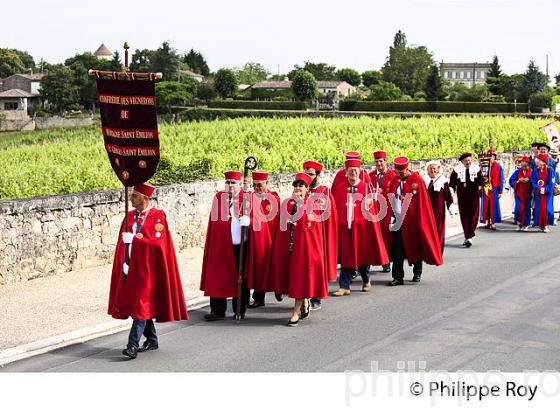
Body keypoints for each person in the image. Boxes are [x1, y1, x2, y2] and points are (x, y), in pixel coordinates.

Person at [108, 183, 188, 359]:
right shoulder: (129, 216)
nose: (131, 199)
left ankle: (132, 345)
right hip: (130, 268)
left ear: (145, 198)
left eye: (135, 196)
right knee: (140, 306)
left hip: (148, 270)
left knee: (140, 305)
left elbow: (158, 243)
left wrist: (136, 240)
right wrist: (123, 261)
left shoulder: (158, 216)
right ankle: (152, 339)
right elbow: (122, 244)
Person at [267, 173, 328, 326]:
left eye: (301, 185)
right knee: (293, 280)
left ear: (307, 189)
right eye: (296, 185)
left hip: (306, 248)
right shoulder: (287, 203)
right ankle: (305, 302)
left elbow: (314, 229)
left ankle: (295, 312)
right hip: (289, 246)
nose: (297, 188)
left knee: (301, 279)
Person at [331, 159, 389, 296]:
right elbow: (335, 209)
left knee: (361, 256)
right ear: (346, 173)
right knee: (346, 256)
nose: (353, 173)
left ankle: (366, 279)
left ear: (360, 172)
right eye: (350, 171)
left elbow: (371, 210)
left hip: (361, 229)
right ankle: (344, 286)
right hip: (345, 229)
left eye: (355, 171)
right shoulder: (340, 188)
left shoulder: (365, 187)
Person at [200, 171, 250, 321]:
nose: (229, 186)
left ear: (240, 184)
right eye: (227, 182)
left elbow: (258, 218)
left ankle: (239, 309)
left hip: (240, 246)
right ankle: (217, 310)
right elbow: (215, 222)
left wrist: (249, 221)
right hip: (221, 245)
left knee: (240, 277)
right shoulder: (218, 198)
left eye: (233, 183)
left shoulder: (247, 198)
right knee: (217, 275)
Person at [387, 157, 443, 286]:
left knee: (416, 245)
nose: (399, 175)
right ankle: (397, 277)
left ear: (407, 169)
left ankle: (417, 272)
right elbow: (390, 198)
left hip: (413, 220)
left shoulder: (417, 180)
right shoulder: (395, 180)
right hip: (398, 220)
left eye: (401, 173)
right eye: (397, 172)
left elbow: (422, 203)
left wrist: (406, 200)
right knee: (397, 249)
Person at [303, 160, 338, 311]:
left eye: (310, 174)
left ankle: (316, 298)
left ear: (318, 175)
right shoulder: (301, 191)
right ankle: (304, 297)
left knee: (317, 268)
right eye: (305, 173)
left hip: (320, 237)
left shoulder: (325, 192)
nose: (308, 177)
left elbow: (331, 218)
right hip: (305, 236)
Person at [246, 171, 282, 308]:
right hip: (258, 240)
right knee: (259, 268)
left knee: (273, 269)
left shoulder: (274, 199)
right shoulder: (250, 198)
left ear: (266, 184)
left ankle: (278, 289)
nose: (256, 188)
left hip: (272, 240)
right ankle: (258, 297)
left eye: (259, 185)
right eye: (254, 185)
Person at [368, 150, 398, 272]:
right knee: (372, 236)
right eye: (376, 161)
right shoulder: (370, 176)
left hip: (387, 210)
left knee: (386, 237)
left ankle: (386, 262)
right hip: (373, 211)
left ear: (385, 161)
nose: (379, 163)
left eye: (381, 161)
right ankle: (368, 262)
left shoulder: (393, 175)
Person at [449, 152, 483, 247]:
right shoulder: (456, 170)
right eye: (466, 161)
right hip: (462, 196)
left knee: (473, 216)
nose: (468, 162)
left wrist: (481, 187)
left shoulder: (476, 169)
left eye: (469, 160)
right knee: (464, 216)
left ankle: (470, 234)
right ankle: (468, 236)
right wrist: (451, 193)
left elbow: (481, 181)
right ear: (462, 162)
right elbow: (452, 183)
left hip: (473, 195)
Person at [423, 160, 454, 253]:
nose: (432, 171)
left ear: (438, 170)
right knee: (427, 230)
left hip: (438, 210)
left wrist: (451, 208)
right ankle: (429, 250)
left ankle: (438, 251)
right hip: (426, 210)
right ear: (427, 170)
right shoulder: (423, 180)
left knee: (438, 230)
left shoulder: (443, 181)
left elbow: (448, 196)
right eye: (430, 169)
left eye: (434, 169)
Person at [479, 149, 504, 230]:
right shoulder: (484, 166)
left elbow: (501, 179)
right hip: (486, 188)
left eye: (493, 156)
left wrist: (500, 191)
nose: (491, 158)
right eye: (490, 156)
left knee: (494, 206)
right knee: (486, 206)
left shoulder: (498, 166)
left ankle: (493, 222)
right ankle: (488, 222)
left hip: (494, 189)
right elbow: (480, 177)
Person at [531, 154, 556, 232]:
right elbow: (533, 181)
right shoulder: (535, 170)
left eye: (537, 162)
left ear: (542, 162)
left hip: (548, 193)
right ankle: (541, 225)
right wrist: (538, 188)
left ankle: (546, 225)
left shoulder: (550, 170)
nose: (536, 163)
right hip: (539, 193)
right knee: (539, 209)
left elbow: (552, 182)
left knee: (547, 209)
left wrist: (545, 189)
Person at [509, 156, 532, 231]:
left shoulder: (532, 172)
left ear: (528, 164)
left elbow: (535, 180)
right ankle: (519, 223)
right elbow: (511, 180)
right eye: (522, 164)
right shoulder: (517, 172)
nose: (524, 166)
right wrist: (518, 181)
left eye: (526, 164)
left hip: (528, 193)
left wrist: (528, 180)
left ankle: (526, 224)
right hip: (519, 193)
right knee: (518, 208)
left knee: (526, 209)